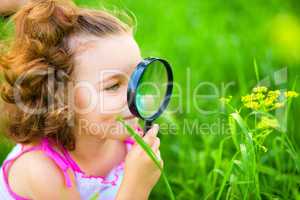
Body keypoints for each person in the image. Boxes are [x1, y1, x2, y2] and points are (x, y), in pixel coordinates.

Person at [0, 0, 163, 199]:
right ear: (59, 99)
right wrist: (137, 186)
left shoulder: (122, 136)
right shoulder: (43, 170)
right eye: (113, 86)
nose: (138, 96)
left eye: (137, 77)